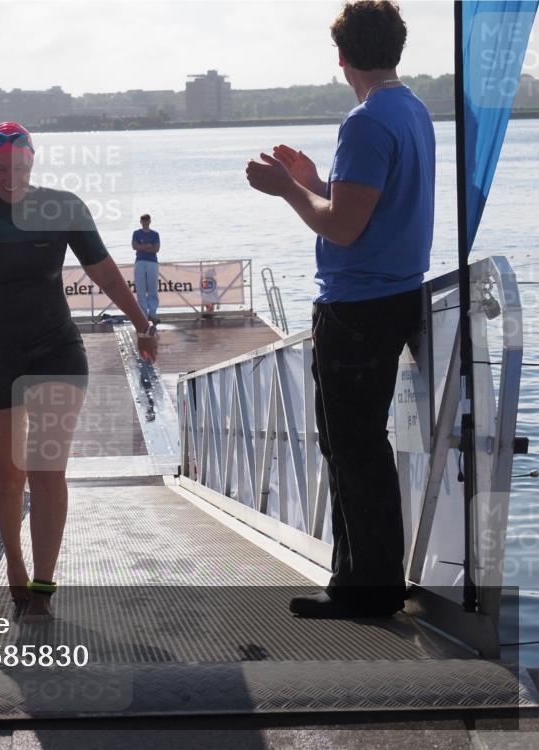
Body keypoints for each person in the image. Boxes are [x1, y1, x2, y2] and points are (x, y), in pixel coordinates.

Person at [245, 0, 434, 618]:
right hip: (398, 294)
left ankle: (366, 586)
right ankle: (369, 576)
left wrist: (287, 190)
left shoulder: (365, 121)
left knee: (351, 444)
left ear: (343, 56)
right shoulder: (412, 111)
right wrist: (316, 180)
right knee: (362, 442)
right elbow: (364, 207)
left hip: (358, 306)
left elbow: (343, 229)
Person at [0, 122, 158, 620]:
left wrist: (143, 324)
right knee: (9, 479)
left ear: (34, 162)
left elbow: (103, 271)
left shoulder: (64, 207)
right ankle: (14, 563)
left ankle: (44, 585)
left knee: (47, 471)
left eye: (20, 167)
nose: (10, 177)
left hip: (56, 351)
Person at [132, 213, 161, 323]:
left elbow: (156, 249)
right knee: (141, 289)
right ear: (141, 222)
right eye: (143, 221)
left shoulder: (155, 234)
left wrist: (142, 247)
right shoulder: (136, 233)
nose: (145, 223)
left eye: (147, 220)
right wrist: (147, 246)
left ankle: (152, 313)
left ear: (149, 221)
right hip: (140, 262)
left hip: (152, 262)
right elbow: (135, 246)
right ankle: (143, 314)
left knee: (153, 288)